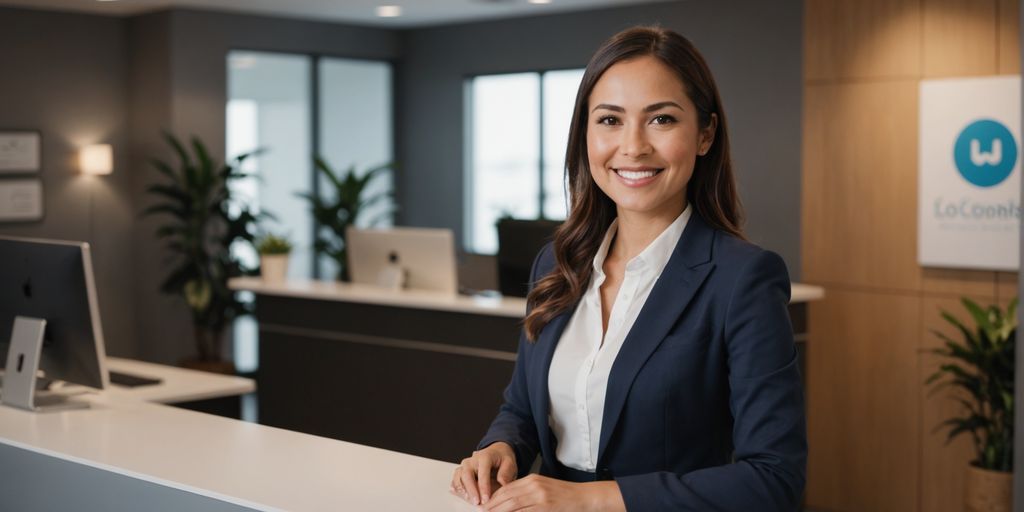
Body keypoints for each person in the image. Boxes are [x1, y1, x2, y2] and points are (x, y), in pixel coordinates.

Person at [450, 26, 806, 511]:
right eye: (610, 120)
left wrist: (590, 500)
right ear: (586, 135)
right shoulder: (556, 262)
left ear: (705, 134)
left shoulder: (742, 279)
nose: (633, 146)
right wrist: (501, 446)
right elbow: (523, 407)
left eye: (660, 119)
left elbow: (773, 479)